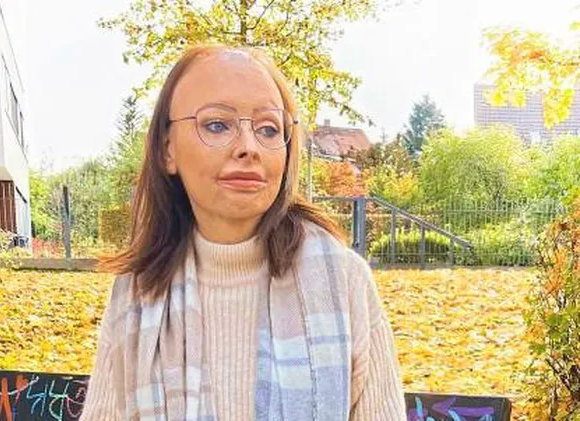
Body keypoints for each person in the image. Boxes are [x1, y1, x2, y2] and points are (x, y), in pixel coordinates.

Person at [79, 45, 406, 421]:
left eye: (268, 129)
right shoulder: (136, 293)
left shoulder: (342, 281)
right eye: (217, 125)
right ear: (168, 150)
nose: (249, 148)